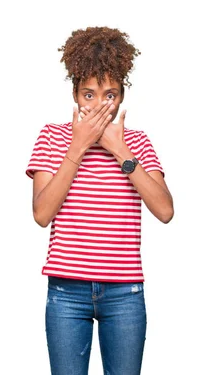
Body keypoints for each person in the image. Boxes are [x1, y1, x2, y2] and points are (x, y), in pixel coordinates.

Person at [26, 26, 174, 375]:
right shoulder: (52, 137)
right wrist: (77, 147)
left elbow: (165, 210)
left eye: (109, 95)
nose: (97, 105)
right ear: (75, 95)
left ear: (121, 97)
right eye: (88, 94)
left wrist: (118, 148)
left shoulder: (137, 142)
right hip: (66, 291)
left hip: (125, 293)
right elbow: (42, 213)